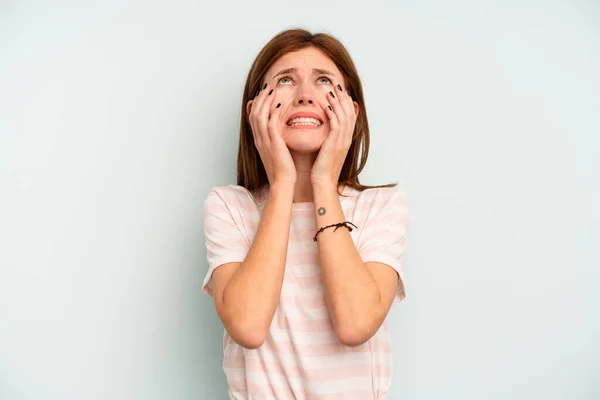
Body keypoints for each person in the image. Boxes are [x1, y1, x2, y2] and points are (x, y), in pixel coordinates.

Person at [202, 28, 411, 400]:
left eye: (325, 81)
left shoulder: (383, 206)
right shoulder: (230, 207)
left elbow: (355, 323)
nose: (304, 95)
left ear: (351, 110)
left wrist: (323, 183)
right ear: (254, 110)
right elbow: (248, 328)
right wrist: (282, 183)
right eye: (285, 80)